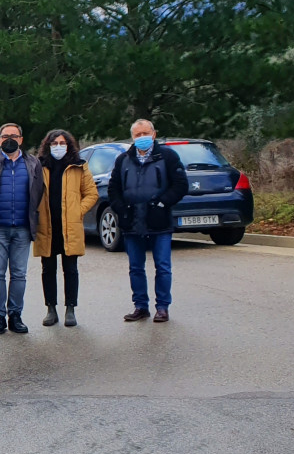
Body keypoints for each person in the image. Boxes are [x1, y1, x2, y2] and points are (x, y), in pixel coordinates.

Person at [107, 119, 188, 323]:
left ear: (154, 134)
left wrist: (162, 203)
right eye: (137, 134)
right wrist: (122, 209)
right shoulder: (123, 159)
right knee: (136, 267)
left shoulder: (168, 156)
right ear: (132, 137)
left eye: (145, 133)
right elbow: (113, 189)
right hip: (132, 222)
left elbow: (180, 185)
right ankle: (140, 306)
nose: (142, 138)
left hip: (159, 221)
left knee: (162, 266)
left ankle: (162, 307)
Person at [0, 123, 45, 335]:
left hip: (23, 228)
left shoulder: (33, 163)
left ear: (21, 139)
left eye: (14, 136)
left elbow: (39, 192)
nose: (9, 139)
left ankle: (15, 315)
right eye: (5, 136)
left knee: (19, 274)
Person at [33, 129, 99, 327]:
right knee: (48, 268)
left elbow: (91, 193)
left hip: (69, 226)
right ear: (47, 146)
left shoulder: (79, 166)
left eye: (62, 143)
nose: (58, 147)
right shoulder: (40, 166)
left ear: (69, 145)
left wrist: (78, 210)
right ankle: (51, 309)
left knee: (70, 268)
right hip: (47, 225)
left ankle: (70, 309)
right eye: (54, 143)